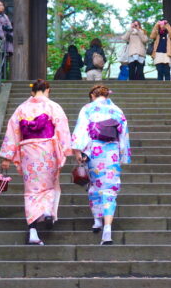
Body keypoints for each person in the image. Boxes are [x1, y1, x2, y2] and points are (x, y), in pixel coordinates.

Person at [0, 79, 72, 245]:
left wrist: (7, 158)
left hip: (28, 152)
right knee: (49, 184)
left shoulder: (21, 108)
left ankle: (33, 231)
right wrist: (67, 150)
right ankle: (47, 211)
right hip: (48, 150)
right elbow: (62, 129)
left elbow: (13, 132)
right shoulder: (53, 107)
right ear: (47, 90)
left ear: (33, 92)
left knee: (31, 190)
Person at [71, 85, 131, 245]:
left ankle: (97, 219)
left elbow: (81, 130)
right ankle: (107, 228)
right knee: (110, 187)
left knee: (95, 184)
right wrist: (123, 154)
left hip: (94, 151)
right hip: (112, 151)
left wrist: (78, 151)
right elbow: (123, 134)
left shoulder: (87, 108)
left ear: (92, 95)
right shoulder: (117, 110)